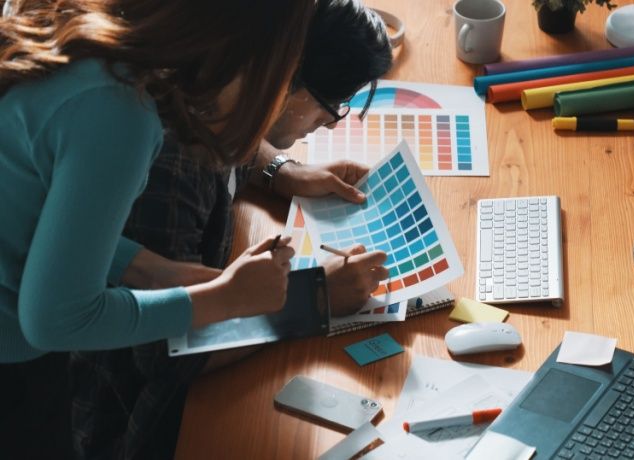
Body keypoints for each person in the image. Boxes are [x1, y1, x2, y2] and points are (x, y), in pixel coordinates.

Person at [68, 1, 394, 458]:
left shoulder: (218, 101)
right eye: (330, 107)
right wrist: (314, 298)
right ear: (284, 76)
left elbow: (245, 146)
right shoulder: (171, 168)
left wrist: (280, 170)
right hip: (142, 426)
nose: (326, 124)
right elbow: (166, 349)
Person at [0, 0, 317, 457]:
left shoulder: (84, 40)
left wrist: (150, 270)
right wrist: (222, 299)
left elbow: (38, 205)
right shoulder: (120, 111)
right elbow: (55, 319)